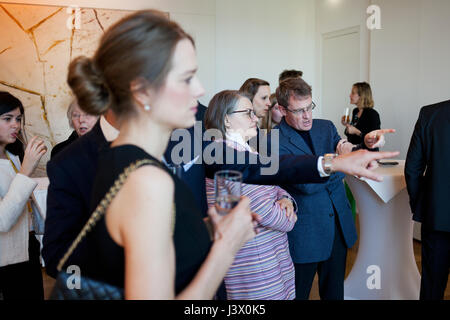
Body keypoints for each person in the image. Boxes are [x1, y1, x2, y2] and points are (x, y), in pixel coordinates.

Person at [63, 10, 260, 299]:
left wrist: (204, 230)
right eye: (186, 78)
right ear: (142, 91)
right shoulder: (147, 181)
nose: (200, 89)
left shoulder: (118, 158)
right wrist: (227, 245)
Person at [274, 77, 394, 300]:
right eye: (299, 111)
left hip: (338, 224)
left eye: (310, 107)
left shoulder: (325, 126)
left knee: (335, 293)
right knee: (298, 294)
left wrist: (364, 145)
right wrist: (339, 169)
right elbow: (305, 186)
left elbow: (345, 149)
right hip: (306, 233)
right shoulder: (273, 140)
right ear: (282, 109)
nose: (307, 115)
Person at [204, 90, 297, 300]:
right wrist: (287, 213)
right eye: (248, 113)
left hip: (270, 260)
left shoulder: (244, 151)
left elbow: (276, 186)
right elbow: (272, 216)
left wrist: (285, 198)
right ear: (226, 120)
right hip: (255, 269)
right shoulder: (227, 156)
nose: (256, 118)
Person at [0, 91, 47, 300]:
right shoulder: (20, 163)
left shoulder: (13, 156)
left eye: (18, 119)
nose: (16, 125)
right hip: (5, 257)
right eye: (7, 119)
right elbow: (2, 220)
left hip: (28, 247)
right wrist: (26, 171)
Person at [405, 99, 450, 300]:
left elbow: (412, 168)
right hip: (435, 214)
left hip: (437, 215)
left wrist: (422, 204)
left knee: (432, 287)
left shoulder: (430, 113)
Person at [341, 82, 381, 148]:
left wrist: (357, 132)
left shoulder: (373, 114)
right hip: (355, 151)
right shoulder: (355, 111)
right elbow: (351, 136)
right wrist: (347, 125)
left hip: (368, 154)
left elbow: (375, 139)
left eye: (353, 93)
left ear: (362, 96)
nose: (350, 95)